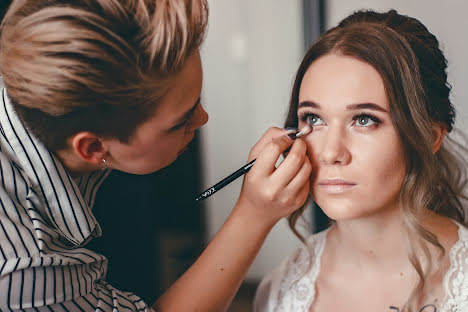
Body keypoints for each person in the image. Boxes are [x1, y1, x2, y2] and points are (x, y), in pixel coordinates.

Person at [0, 0, 312, 311]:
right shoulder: (25, 268)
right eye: (181, 121)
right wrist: (252, 215)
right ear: (94, 148)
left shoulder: (32, 62)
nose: (203, 119)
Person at [254, 9, 468, 312]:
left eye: (364, 120)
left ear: (430, 136)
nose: (331, 152)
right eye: (314, 119)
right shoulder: (283, 288)